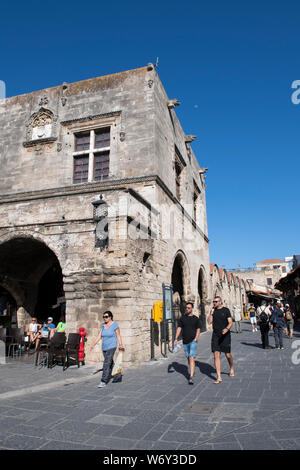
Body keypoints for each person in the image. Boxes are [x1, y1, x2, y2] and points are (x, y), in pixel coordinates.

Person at [90, 311, 125, 388]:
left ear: (110, 317)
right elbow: (99, 336)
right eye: (104, 317)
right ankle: (118, 376)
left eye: (106, 317)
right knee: (110, 363)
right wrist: (93, 344)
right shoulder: (103, 326)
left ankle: (103, 381)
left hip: (112, 346)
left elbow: (118, 335)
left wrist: (120, 345)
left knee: (106, 363)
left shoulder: (114, 325)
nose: (104, 318)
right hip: (104, 347)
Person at [208, 296, 234, 384]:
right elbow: (209, 322)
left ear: (220, 302)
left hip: (225, 335)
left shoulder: (226, 310)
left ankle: (231, 368)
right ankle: (219, 377)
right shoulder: (213, 311)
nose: (214, 303)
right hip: (216, 335)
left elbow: (230, 322)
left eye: (216, 301)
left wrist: (226, 329)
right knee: (216, 355)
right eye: (213, 301)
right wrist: (211, 313)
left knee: (228, 355)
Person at [174, 302, 201, 385]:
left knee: (191, 357)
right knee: (188, 357)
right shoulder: (182, 318)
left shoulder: (196, 319)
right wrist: (175, 338)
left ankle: (191, 377)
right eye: (186, 308)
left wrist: (196, 338)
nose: (187, 309)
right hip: (185, 341)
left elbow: (198, 329)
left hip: (193, 341)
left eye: (189, 308)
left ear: (192, 308)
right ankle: (192, 369)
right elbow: (179, 328)